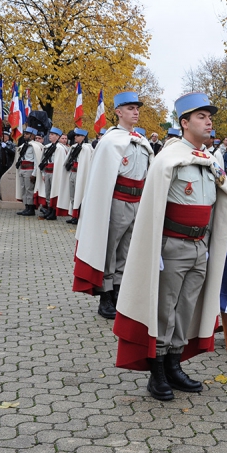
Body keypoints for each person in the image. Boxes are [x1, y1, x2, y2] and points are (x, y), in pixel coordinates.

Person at [113, 92, 227, 401]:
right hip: (173, 246)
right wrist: (154, 252)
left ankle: (175, 364)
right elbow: (154, 208)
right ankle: (157, 372)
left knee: (186, 308)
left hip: (199, 246)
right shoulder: (169, 157)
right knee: (165, 309)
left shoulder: (211, 159)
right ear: (184, 123)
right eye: (202, 117)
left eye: (210, 117)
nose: (209, 122)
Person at [73, 92, 154, 320]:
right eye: (130, 108)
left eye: (137, 108)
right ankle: (105, 295)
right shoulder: (110, 140)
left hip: (137, 200)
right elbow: (102, 178)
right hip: (118, 200)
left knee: (126, 250)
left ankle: (119, 292)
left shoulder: (142, 141)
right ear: (118, 112)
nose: (135, 112)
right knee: (110, 248)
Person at [55, 128, 94, 224]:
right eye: (75, 136)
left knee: (79, 195)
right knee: (72, 195)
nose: (75, 137)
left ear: (83, 137)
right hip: (73, 172)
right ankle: (73, 214)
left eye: (78, 136)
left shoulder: (87, 148)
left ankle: (78, 216)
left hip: (80, 174)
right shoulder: (74, 147)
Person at [33, 127, 66, 220]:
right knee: (48, 192)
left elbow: (60, 162)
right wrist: (43, 174)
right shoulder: (48, 147)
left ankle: (53, 211)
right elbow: (44, 161)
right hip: (47, 171)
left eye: (52, 135)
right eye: (50, 134)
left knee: (54, 191)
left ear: (57, 136)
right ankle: (49, 209)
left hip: (55, 173)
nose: (50, 136)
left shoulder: (60, 148)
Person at [14, 127, 43, 216]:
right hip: (22, 169)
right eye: (25, 133)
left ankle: (31, 208)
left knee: (29, 189)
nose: (25, 135)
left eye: (27, 134)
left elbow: (36, 161)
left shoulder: (35, 146)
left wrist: (34, 173)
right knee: (23, 188)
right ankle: (26, 207)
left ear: (32, 136)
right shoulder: (24, 146)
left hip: (29, 170)